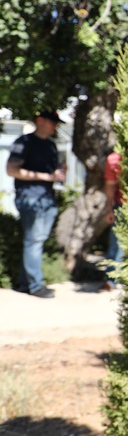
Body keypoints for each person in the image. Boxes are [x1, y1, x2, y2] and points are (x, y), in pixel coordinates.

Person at [5, 109, 66, 298]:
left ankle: (26, 284)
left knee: (36, 240)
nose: (55, 125)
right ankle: (35, 285)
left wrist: (60, 173)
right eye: (52, 121)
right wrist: (47, 177)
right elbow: (11, 170)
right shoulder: (24, 142)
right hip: (30, 197)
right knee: (34, 241)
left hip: (47, 198)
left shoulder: (51, 145)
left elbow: (54, 171)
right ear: (40, 120)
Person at [101, 150, 123, 291]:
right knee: (116, 244)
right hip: (121, 205)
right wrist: (109, 209)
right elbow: (110, 185)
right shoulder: (114, 159)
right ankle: (111, 280)